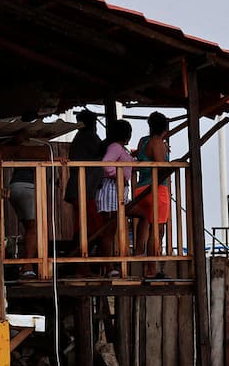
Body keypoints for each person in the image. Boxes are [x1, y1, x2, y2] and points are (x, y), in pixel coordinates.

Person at [128, 111, 173, 278]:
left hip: (141, 188)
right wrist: (170, 164)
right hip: (156, 189)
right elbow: (161, 166)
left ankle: (139, 253)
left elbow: (141, 156)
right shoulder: (158, 142)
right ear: (165, 128)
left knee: (146, 222)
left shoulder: (143, 141)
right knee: (158, 229)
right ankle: (151, 268)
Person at [95, 119, 135, 276]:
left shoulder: (119, 148)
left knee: (111, 229)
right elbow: (105, 163)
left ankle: (108, 263)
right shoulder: (115, 147)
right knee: (109, 229)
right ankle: (109, 265)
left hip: (118, 190)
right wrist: (116, 175)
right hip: (111, 189)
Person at [64, 109, 106, 253]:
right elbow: (103, 151)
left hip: (81, 188)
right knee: (90, 225)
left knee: (84, 224)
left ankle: (80, 259)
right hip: (84, 189)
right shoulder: (89, 136)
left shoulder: (79, 137)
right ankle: (81, 261)